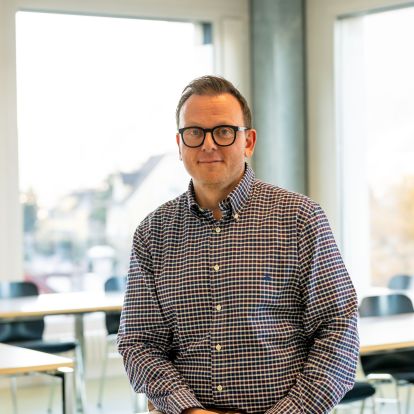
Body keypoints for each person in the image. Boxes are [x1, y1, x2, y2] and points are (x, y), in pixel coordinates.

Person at [117, 75, 359, 414]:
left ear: (248, 141)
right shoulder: (152, 233)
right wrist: (190, 411)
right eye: (194, 132)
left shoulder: (300, 219)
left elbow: (338, 331)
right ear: (180, 144)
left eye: (224, 131)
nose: (208, 145)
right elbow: (140, 342)